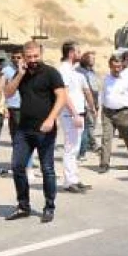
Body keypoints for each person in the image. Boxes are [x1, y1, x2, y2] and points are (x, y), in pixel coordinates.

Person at [4, 41, 67, 223]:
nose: (33, 60)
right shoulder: (21, 73)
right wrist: (20, 74)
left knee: (47, 169)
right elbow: (7, 93)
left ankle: (49, 207)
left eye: (35, 56)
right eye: (29, 57)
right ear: (24, 57)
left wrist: (50, 119)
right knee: (17, 167)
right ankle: (23, 206)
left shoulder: (51, 73)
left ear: (41, 54)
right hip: (24, 129)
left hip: (45, 130)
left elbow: (62, 97)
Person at [57, 42, 91, 194]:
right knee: (70, 148)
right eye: (78, 51)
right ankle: (69, 181)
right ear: (70, 53)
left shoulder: (72, 70)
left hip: (77, 112)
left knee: (75, 148)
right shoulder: (63, 70)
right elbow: (64, 94)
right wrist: (74, 114)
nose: (80, 54)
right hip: (70, 113)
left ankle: (74, 179)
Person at [98, 54, 128, 173]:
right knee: (106, 138)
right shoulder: (106, 79)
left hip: (123, 112)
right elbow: (103, 94)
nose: (117, 69)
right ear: (110, 66)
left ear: (122, 66)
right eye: (114, 67)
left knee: (127, 137)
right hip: (107, 113)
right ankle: (104, 163)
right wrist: (101, 109)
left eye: (119, 67)